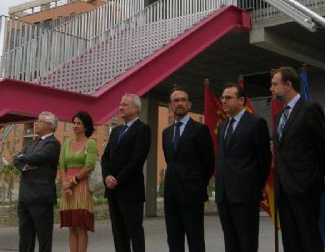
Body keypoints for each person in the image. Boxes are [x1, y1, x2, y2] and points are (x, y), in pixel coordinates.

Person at [271, 66, 325, 252]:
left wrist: (311, 181)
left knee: (309, 239)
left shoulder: (310, 109)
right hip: (284, 191)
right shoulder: (280, 115)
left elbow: (323, 150)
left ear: (288, 85)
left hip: (304, 190)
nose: (271, 89)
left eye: (275, 84)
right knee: (291, 241)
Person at [215, 83, 270, 252]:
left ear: (241, 100)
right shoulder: (224, 125)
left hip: (245, 196)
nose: (224, 101)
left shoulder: (256, 123)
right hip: (224, 196)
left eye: (228, 98)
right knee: (230, 243)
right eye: (222, 98)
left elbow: (264, 159)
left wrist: (254, 187)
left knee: (247, 242)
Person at [162, 87, 215, 252]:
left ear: (189, 104)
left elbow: (208, 162)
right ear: (170, 105)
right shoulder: (166, 133)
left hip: (192, 194)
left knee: (195, 239)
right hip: (171, 194)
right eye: (176, 100)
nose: (180, 103)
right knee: (174, 239)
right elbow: (170, 160)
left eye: (183, 100)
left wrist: (197, 183)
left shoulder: (200, 129)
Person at [101, 94, 151, 252]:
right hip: (112, 190)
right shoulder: (115, 131)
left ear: (136, 108)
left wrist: (118, 179)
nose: (120, 107)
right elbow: (105, 158)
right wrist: (107, 176)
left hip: (130, 190)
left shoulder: (143, 129)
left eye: (125, 105)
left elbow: (137, 160)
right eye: (120, 104)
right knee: (118, 233)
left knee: (134, 231)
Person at [14, 111, 61, 252]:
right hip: (25, 196)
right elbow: (16, 159)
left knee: (43, 237)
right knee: (25, 237)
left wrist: (25, 158)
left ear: (49, 125)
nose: (36, 123)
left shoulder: (53, 144)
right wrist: (25, 165)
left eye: (39, 121)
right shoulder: (32, 142)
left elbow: (38, 157)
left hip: (41, 197)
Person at [59, 111, 98, 252]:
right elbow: (62, 166)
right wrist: (65, 184)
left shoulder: (91, 143)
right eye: (74, 123)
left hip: (82, 188)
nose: (75, 125)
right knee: (71, 227)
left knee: (81, 227)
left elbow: (89, 166)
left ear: (86, 127)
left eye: (78, 123)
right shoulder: (66, 143)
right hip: (67, 189)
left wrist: (72, 182)